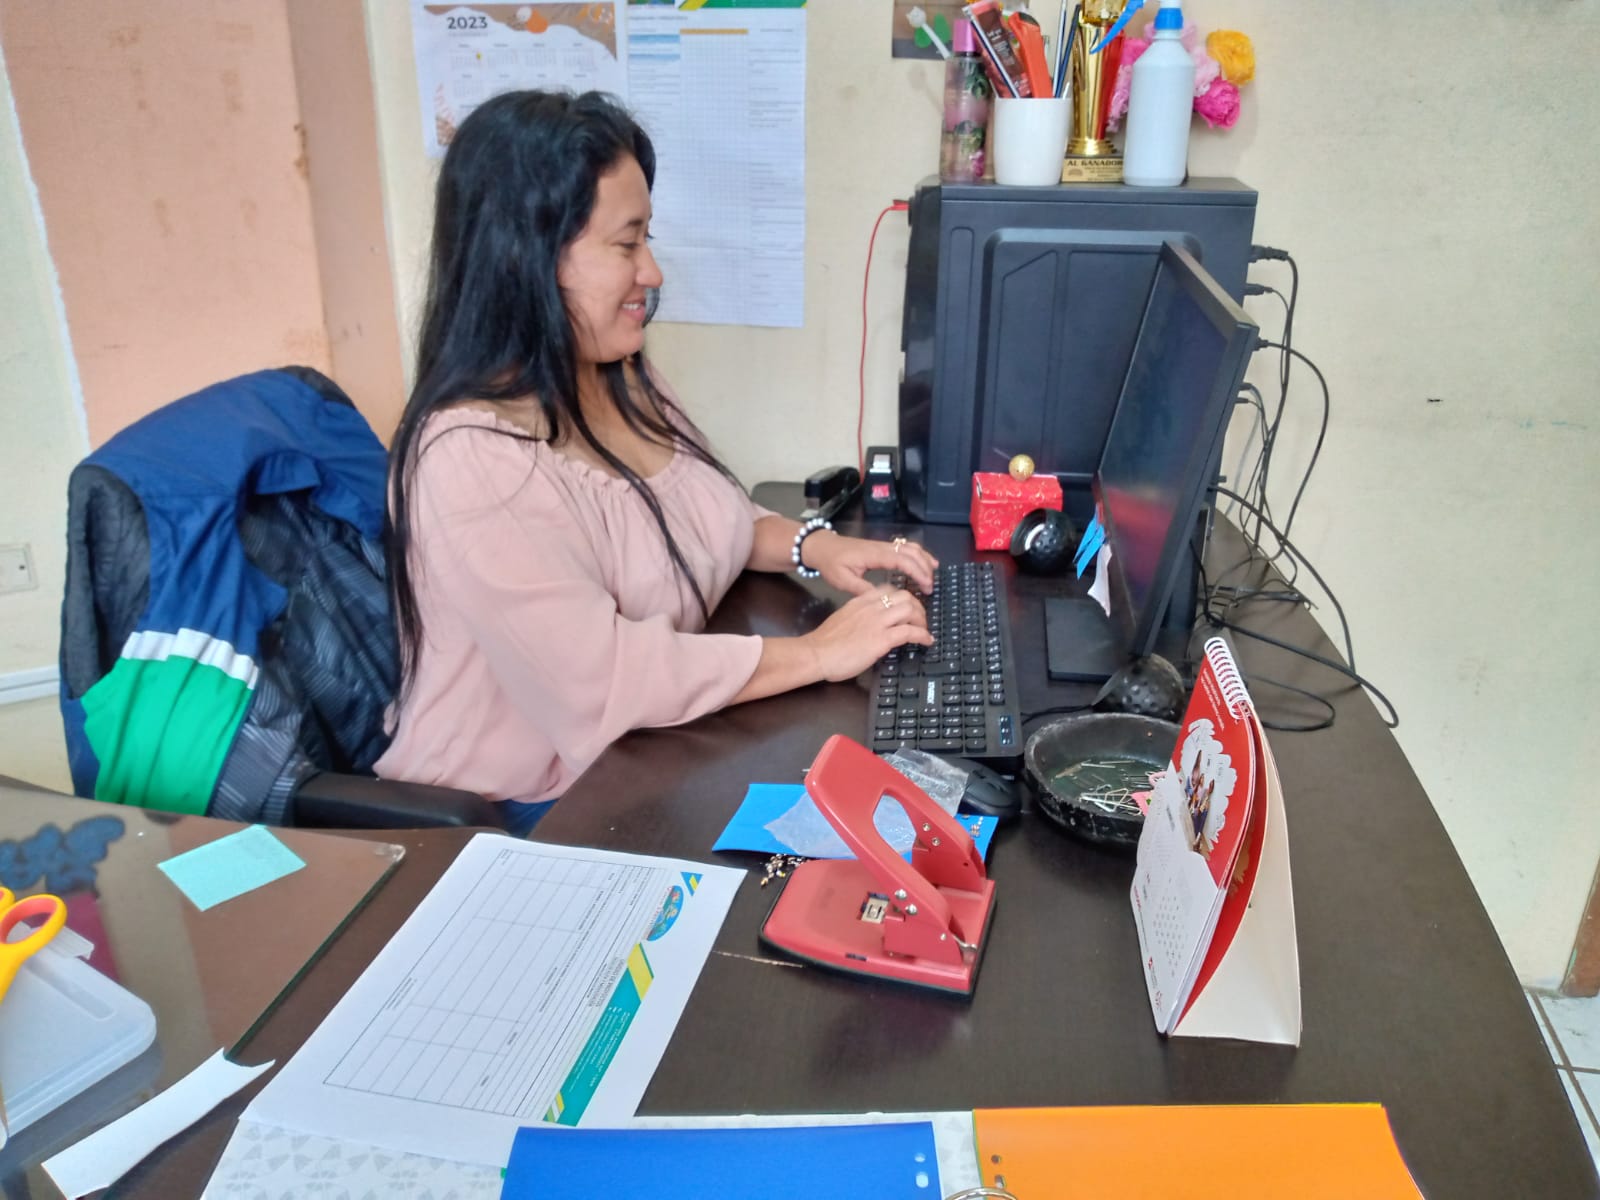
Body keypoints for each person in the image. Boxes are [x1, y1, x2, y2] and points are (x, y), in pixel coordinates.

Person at [375, 90, 936, 834]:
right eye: (626, 243)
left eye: (649, 238)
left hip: (642, 756)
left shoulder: (615, 373)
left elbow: (705, 514)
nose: (653, 272)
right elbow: (603, 683)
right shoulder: (467, 459)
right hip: (523, 810)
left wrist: (817, 546)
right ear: (528, 259)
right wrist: (818, 653)